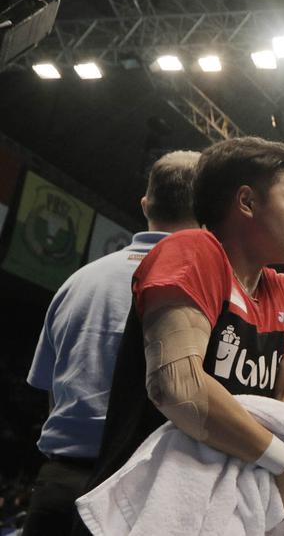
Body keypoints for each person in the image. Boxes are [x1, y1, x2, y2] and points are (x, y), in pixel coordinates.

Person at [78, 136, 284, 531]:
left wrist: (283, 456)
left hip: (231, 511)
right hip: (139, 512)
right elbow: (178, 388)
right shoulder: (191, 251)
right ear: (247, 201)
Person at [23, 151, 200, 535]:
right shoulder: (201, 288)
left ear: (145, 205)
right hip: (139, 494)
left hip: (58, 486)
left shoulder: (79, 281)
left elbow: (53, 392)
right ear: (208, 212)